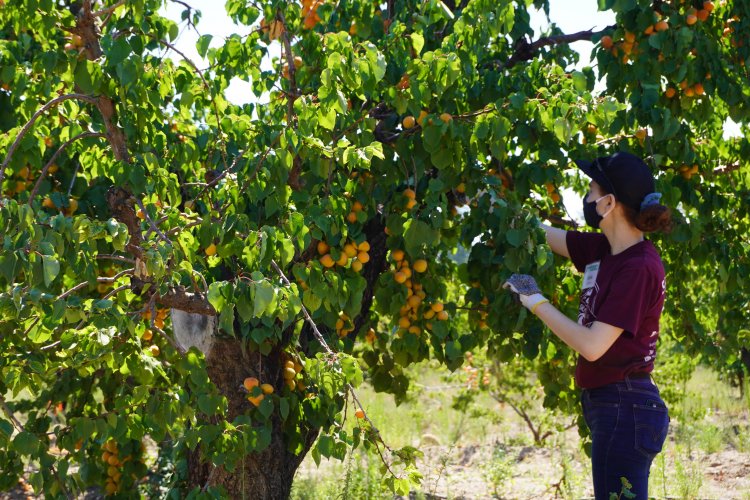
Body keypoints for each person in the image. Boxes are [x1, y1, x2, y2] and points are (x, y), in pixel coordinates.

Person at [503, 151, 672, 499]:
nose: (588, 198)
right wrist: (491, 203)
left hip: (625, 407)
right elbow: (543, 233)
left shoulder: (639, 266)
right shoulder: (606, 250)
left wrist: (535, 300)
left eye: (592, 191)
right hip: (618, 406)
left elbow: (593, 346)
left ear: (610, 203)